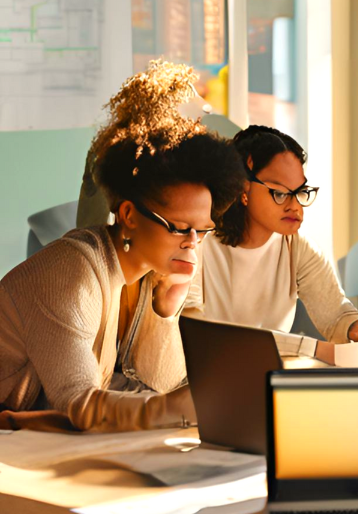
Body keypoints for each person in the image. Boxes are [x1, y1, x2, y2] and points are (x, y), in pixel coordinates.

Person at [0, 61, 245, 432]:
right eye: (179, 228)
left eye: (202, 231)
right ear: (129, 215)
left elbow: (155, 383)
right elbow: (82, 403)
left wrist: (166, 310)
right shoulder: (71, 272)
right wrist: (184, 407)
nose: (192, 244)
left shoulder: (148, 273)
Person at [184, 126, 358, 361]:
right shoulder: (197, 242)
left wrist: (354, 324)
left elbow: (335, 313)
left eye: (300, 192)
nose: (295, 206)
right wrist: (312, 349)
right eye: (280, 193)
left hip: (268, 378)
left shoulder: (297, 247)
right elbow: (198, 334)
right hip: (205, 380)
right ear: (243, 187)